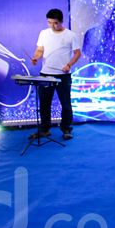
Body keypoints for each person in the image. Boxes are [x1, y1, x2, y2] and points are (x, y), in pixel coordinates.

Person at [30, 9, 82, 140]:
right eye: (49, 22)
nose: (52, 26)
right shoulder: (44, 33)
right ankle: (44, 130)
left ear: (61, 21)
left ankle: (66, 129)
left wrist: (69, 65)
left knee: (66, 104)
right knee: (44, 104)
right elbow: (40, 49)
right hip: (45, 74)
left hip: (63, 75)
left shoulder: (71, 35)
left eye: (55, 23)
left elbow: (77, 53)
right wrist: (36, 57)